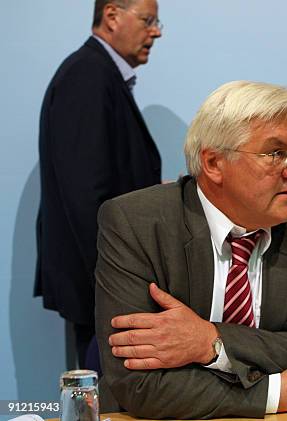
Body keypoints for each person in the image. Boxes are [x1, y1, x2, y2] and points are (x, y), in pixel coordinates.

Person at [95, 81, 287, 419]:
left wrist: (210, 341)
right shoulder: (135, 223)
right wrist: (278, 392)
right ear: (214, 163)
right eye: (276, 154)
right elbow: (137, 383)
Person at [35, 0, 162, 368]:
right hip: (103, 283)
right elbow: (85, 194)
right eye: (149, 20)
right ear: (111, 16)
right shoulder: (87, 76)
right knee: (101, 395)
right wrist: (113, 282)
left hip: (106, 278)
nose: (155, 31)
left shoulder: (98, 73)